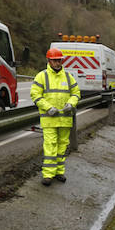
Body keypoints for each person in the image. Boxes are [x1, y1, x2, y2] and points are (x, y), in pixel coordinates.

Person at [30, 48, 80, 186]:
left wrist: (71, 104)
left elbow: (76, 93)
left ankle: (59, 172)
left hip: (65, 119)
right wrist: (48, 108)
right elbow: (35, 95)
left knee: (62, 146)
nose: (58, 63)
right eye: (55, 60)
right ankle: (48, 175)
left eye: (59, 60)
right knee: (50, 145)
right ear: (49, 61)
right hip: (49, 119)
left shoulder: (68, 77)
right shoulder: (42, 76)